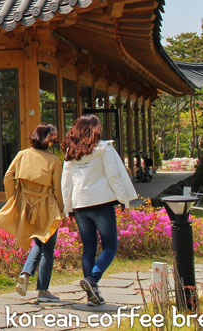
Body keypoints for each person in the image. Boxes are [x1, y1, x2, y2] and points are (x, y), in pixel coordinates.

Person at [62, 114, 138, 306]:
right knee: (110, 246)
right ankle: (92, 279)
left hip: (80, 204)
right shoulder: (104, 148)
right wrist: (123, 201)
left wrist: (68, 209)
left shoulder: (70, 152)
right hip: (102, 203)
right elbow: (114, 176)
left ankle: (92, 294)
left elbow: (66, 183)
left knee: (88, 248)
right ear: (95, 129)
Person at [0, 123, 65, 303]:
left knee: (39, 240)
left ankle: (26, 273)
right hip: (46, 205)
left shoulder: (22, 154)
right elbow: (57, 189)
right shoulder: (54, 161)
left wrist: (13, 198)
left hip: (25, 204)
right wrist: (61, 209)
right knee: (48, 246)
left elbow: (8, 176)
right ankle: (43, 290)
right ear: (48, 139)